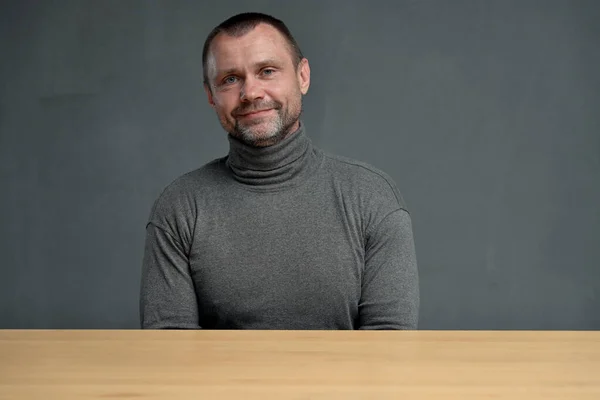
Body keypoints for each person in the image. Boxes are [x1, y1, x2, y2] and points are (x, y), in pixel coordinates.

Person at [139, 12, 419, 330]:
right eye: (230, 79)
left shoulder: (371, 197)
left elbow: (390, 346)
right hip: (221, 383)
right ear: (210, 95)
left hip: (342, 382)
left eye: (267, 71)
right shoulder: (180, 206)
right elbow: (168, 351)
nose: (251, 92)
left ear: (303, 76)